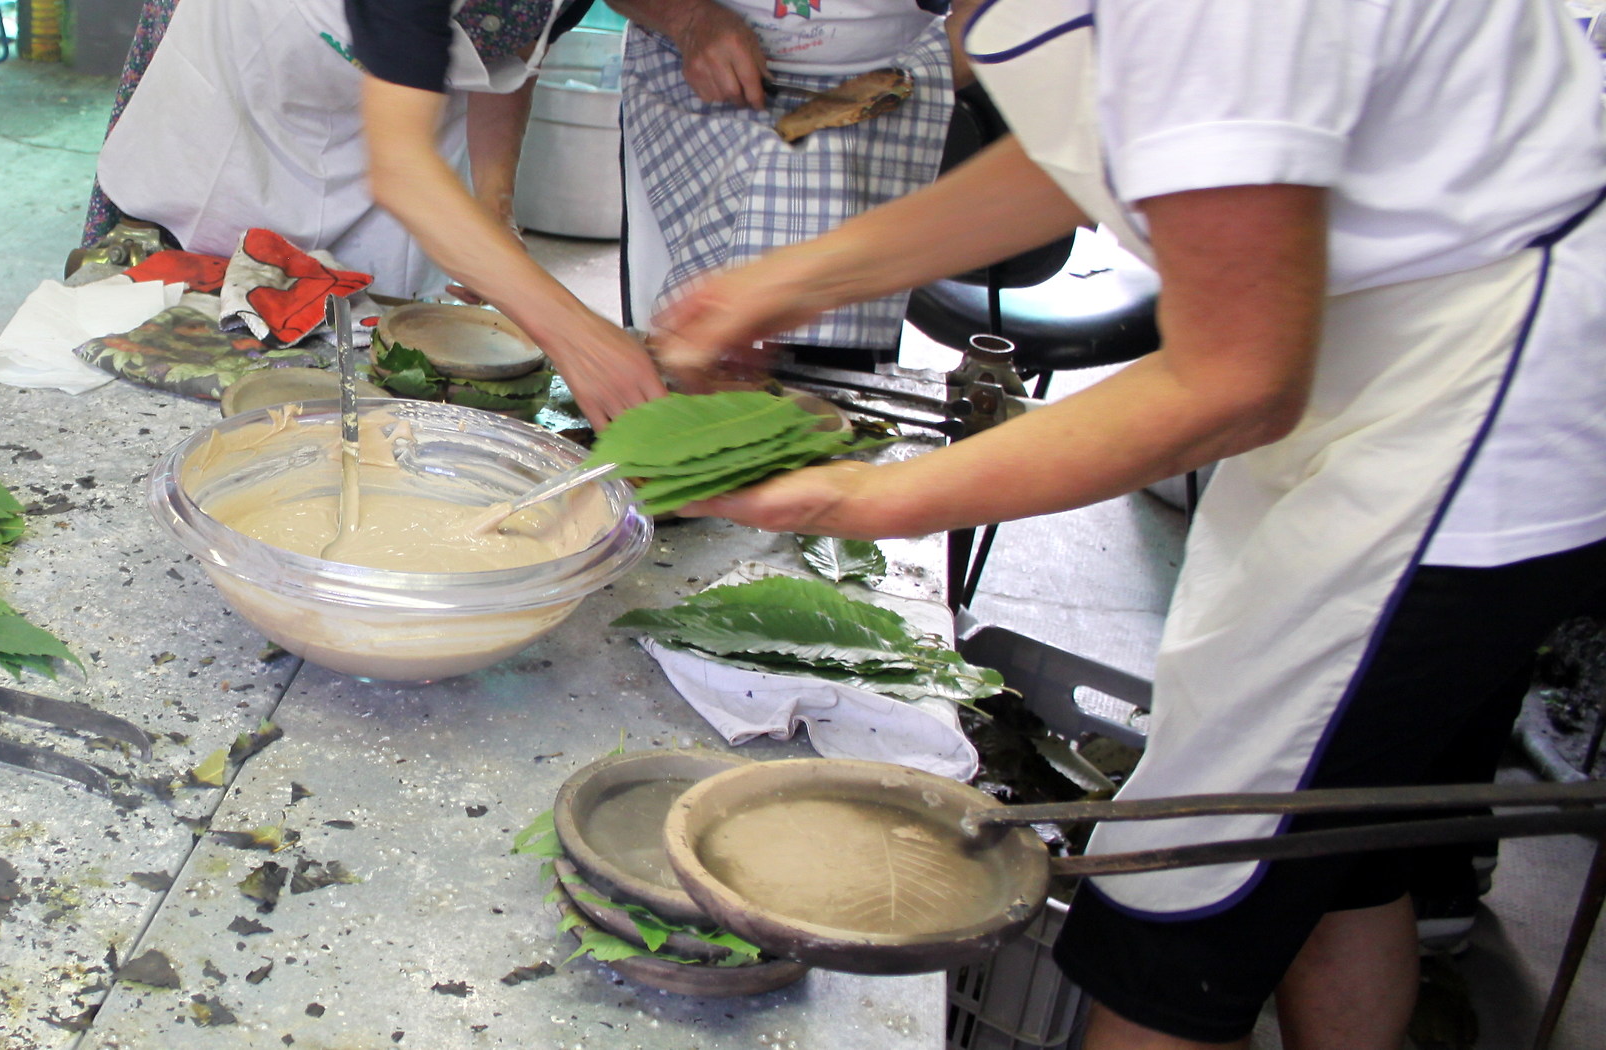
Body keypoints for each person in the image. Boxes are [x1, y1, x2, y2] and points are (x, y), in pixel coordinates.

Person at [649, 1, 1606, 1047]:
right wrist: (789, 280)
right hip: (1366, 360)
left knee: (1182, 894)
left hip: (1466, 412)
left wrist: (862, 497)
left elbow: (1233, 380)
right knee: (1324, 848)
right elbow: (1091, 151)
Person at [93, 0, 664, 421]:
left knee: (374, 356)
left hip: (408, 104)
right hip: (262, 69)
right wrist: (576, 336)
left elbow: (509, 48)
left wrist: (493, 204)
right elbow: (402, 173)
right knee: (200, 343)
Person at [615, 0, 967, 368]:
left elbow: (996, 13)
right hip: (692, 73)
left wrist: (819, 277)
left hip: (883, 88)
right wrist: (686, 18)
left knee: (836, 375)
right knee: (669, 346)